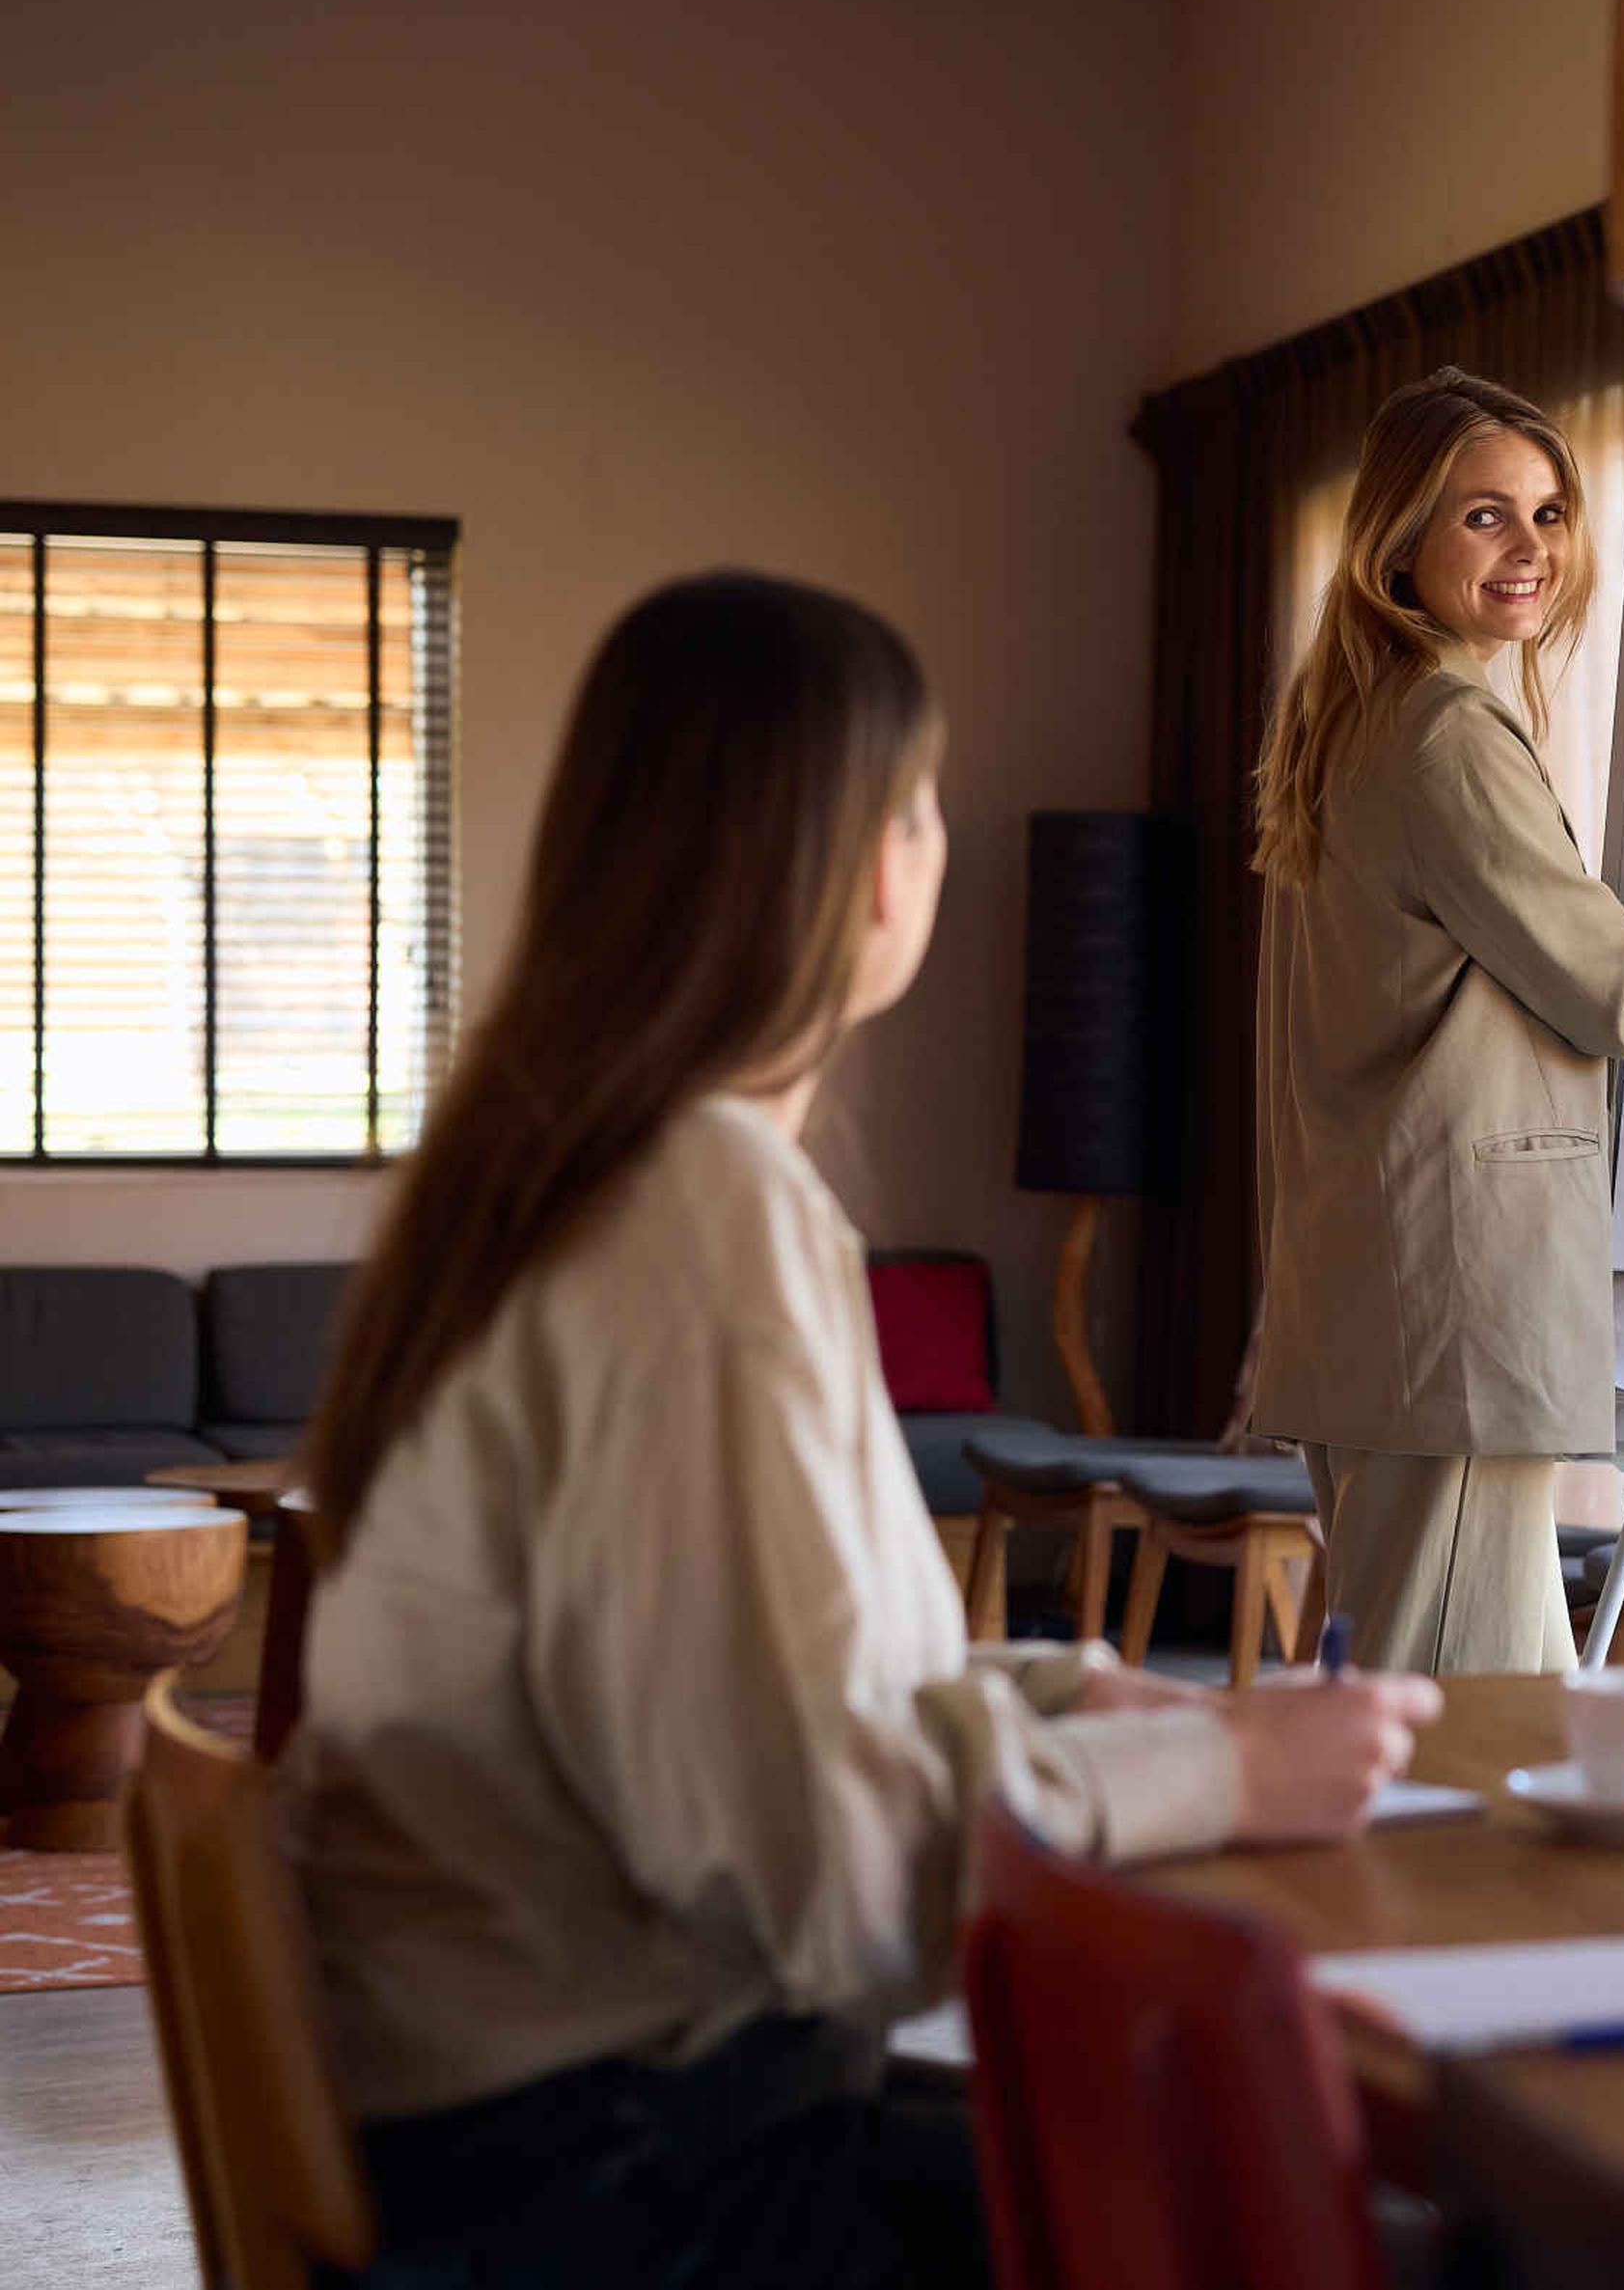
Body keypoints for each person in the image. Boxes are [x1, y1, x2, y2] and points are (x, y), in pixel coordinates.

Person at [288, 573, 1441, 2290]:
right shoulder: (695, 1206)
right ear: (858, 862)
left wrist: (1067, 1695)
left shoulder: (536, 1169)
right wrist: (1226, 1763)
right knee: (1376, 2229)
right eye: (919, 803)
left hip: (528, 2139)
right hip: (628, 2190)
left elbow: (747, 1699)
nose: (933, 848)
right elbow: (827, 1875)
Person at [1242, 366, 1624, 1677]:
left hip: (1380, 1300)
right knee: (1444, 1738)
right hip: (1451, 1311)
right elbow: (1618, 992)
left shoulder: (1356, 714)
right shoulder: (1446, 728)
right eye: (1484, 516)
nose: (1533, 549)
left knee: (1492, 1723)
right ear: (1399, 539)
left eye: (1549, 510)